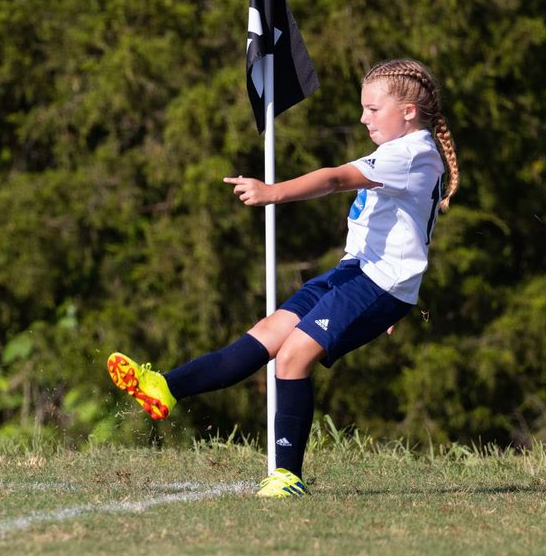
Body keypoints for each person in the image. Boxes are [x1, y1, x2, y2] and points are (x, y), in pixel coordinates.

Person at [106, 58, 460, 497]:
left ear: (408, 111)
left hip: (377, 284)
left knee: (293, 356)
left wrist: (273, 192)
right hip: (358, 274)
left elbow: (334, 180)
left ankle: (287, 476)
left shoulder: (412, 152)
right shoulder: (403, 151)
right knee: (264, 336)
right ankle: (164, 388)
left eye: (372, 109)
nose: (363, 118)